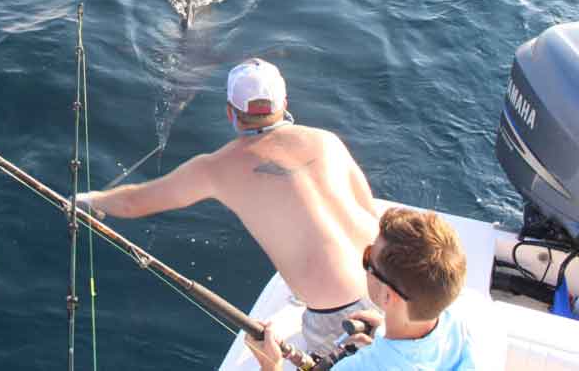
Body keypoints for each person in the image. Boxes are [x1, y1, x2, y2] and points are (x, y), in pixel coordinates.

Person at [77, 58, 379, 354]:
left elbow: (134, 202)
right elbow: (369, 211)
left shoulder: (216, 168)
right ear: (284, 102)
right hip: (395, 283)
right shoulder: (328, 141)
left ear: (230, 113)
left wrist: (90, 200)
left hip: (341, 319)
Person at [248, 207, 493, 370]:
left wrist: (270, 364)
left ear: (388, 296)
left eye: (368, 259)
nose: (364, 264)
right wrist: (383, 331)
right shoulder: (460, 324)